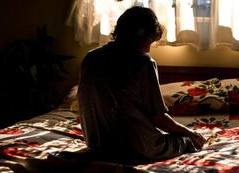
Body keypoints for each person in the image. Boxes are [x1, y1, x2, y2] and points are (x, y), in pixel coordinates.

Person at [77, 6, 206, 164]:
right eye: (150, 41)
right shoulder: (143, 62)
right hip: (135, 149)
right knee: (185, 139)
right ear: (141, 34)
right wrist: (189, 133)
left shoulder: (90, 58)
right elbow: (158, 117)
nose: (149, 48)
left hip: (98, 146)